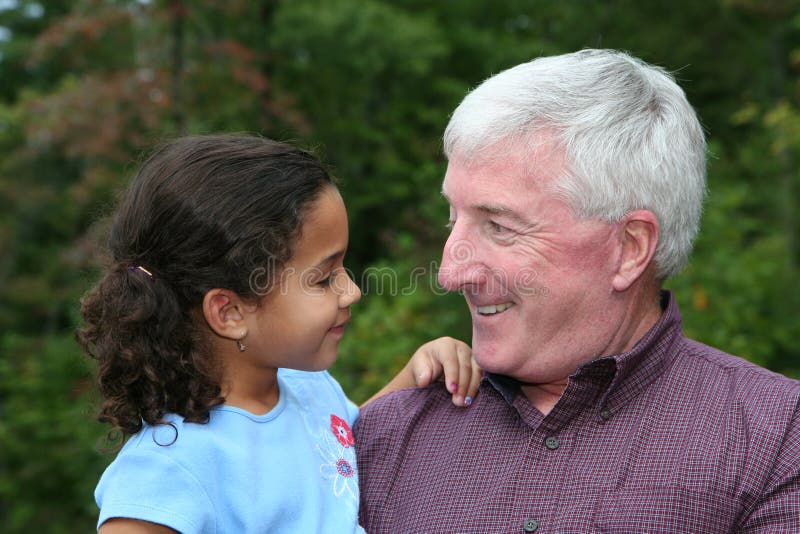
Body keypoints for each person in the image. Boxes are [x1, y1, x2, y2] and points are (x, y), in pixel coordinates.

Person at [354, 49, 800, 533]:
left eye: (499, 227)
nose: (449, 273)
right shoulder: (388, 433)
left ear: (630, 249)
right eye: (453, 217)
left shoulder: (774, 438)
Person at [76, 134, 479, 533]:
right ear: (230, 311)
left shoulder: (306, 387)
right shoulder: (170, 466)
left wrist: (414, 376)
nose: (352, 291)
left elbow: (342, 451)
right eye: (323, 279)